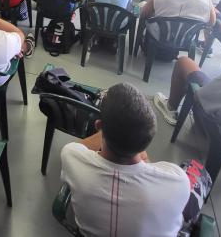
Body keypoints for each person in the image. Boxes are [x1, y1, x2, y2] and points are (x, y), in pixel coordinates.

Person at [61, 82, 190, 237]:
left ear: (99, 126)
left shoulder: (71, 156)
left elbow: (76, 147)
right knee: (199, 174)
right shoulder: (178, 180)